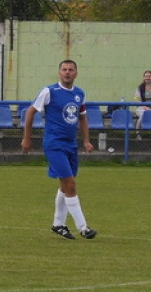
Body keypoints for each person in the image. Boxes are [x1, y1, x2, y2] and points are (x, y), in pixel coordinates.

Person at [20, 59, 97, 240]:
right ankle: (83, 228)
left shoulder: (79, 94)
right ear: (59, 73)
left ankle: (58, 224)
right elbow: (30, 111)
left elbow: (83, 118)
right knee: (70, 184)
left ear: (76, 73)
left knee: (65, 185)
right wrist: (26, 138)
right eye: (64, 69)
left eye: (71, 70)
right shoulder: (49, 91)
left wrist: (86, 141)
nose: (67, 72)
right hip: (54, 144)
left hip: (71, 144)